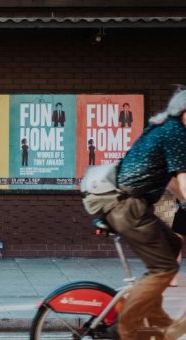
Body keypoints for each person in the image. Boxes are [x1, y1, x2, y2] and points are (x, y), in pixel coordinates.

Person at [99, 88, 186, 340]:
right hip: (127, 206)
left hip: (130, 204)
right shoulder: (176, 133)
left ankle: (157, 321)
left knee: (171, 245)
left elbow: (171, 181)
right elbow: (183, 180)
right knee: (163, 267)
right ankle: (125, 328)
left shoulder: (165, 128)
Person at [170, 199, 186, 287]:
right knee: (176, 244)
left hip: (183, 210)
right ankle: (173, 279)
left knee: (176, 245)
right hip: (182, 211)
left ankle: (173, 280)